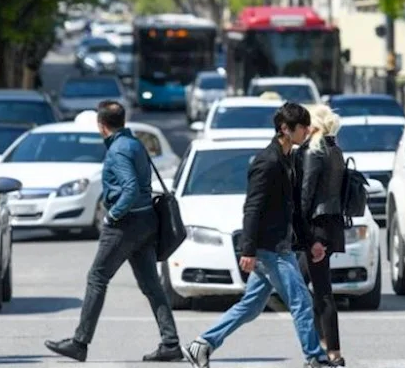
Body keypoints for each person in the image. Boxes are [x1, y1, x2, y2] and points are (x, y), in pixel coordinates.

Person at [182, 103, 334, 368]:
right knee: (301, 301)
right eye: (302, 126)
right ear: (286, 129)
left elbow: (294, 209)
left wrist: (310, 242)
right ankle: (316, 358)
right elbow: (252, 207)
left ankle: (201, 345)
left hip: (279, 245)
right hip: (271, 249)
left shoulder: (288, 159)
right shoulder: (268, 162)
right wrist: (248, 250)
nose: (307, 131)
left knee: (250, 308)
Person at [45, 100, 182, 363]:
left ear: (101, 125)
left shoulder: (118, 150)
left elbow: (129, 188)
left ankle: (80, 343)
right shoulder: (134, 143)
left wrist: (112, 215)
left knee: (97, 278)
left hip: (125, 225)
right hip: (145, 222)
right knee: (152, 286)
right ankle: (170, 343)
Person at [295, 105, 346, 366]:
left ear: (313, 127)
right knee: (314, 287)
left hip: (314, 228)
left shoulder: (314, 152)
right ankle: (329, 348)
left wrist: (298, 226)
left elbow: (306, 194)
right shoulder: (335, 149)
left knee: (312, 289)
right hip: (330, 226)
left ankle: (327, 349)